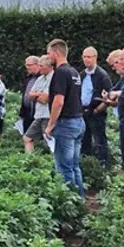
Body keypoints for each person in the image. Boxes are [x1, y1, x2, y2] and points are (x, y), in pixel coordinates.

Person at [44, 39, 86, 196]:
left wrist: (50, 124)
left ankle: (69, 201)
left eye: (49, 53)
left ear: (56, 52)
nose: (47, 57)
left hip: (65, 124)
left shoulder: (60, 73)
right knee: (74, 166)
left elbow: (58, 101)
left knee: (63, 167)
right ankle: (80, 198)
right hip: (78, 121)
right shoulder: (74, 72)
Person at [80, 47, 113, 166]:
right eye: (84, 57)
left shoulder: (102, 75)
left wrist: (98, 109)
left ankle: (103, 164)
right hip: (83, 112)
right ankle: (86, 163)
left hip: (96, 113)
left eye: (89, 57)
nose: (86, 59)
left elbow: (109, 94)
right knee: (84, 140)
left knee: (99, 140)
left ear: (95, 58)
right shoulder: (82, 74)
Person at [23, 56, 54, 153]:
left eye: (41, 66)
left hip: (48, 115)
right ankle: (29, 159)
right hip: (38, 115)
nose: (39, 68)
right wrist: (39, 94)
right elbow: (30, 95)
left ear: (49, 66)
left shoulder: (54, 78)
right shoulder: (40, 79)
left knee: (48, 142)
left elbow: (45, 98)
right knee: (27, 137)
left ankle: (51, 160)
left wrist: (36, 95)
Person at [19, 56, 41, 135]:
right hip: (27, 111)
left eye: (29, 65)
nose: (27, 67)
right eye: (26, 65)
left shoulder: (42, 78)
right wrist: (22, 112)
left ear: (37, 64)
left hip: (38, 112)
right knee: (26, 136)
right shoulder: (28, 78)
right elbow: (24, 95)